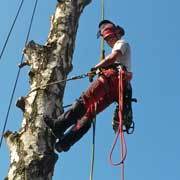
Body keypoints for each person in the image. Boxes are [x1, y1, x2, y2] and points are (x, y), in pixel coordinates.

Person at [44, 20, 131, 152]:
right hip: (117, 88)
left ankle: (59, 126)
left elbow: (112, 58)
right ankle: (65, 143)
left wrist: (95, 68)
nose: (108, 41)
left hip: (113, 78)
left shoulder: (122, 43)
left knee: (84, 100)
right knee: (88, 114)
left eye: (109, 37)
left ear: (116, 33)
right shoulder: (121, 49)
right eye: (106, 39)